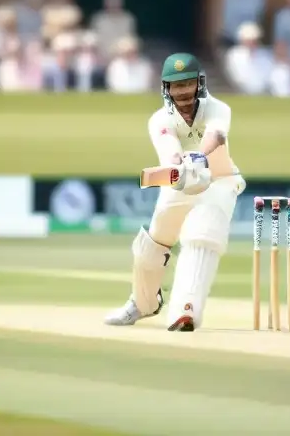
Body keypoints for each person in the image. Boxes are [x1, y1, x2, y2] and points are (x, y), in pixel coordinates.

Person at [104, 53, 245, 332]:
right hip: (181, 182)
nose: (182, 92)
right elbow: (169, 152)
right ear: (166, 88)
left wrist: (200, 157)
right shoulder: (159, 119)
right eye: (175, 85)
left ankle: (185, 311)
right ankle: (142, 304)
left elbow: (216, 135)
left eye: (187, 84)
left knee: (202, 235)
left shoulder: (218, 108)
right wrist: (180, 163)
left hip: (219, 181)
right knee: (151, 247)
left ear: (199, 83)